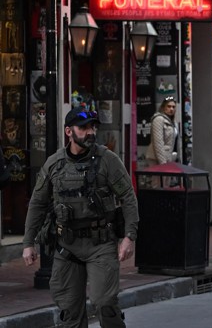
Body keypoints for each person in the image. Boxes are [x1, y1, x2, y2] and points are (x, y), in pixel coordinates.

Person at [22, 106, 140, 328]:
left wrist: (129, 236)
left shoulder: (108, 160)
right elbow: (37, 204)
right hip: (67, 246)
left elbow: (128, 196)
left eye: (92, 127)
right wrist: (28, 243)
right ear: (68, 131)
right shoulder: (54, 164)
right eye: (83, 127)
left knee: (105, 302)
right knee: (69, 310)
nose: (90, 132)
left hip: (101, 244)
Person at [145, 96, 179, 166]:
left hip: (169, 158)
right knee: (158, 177)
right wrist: (163, 163)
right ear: (163, 107)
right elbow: (158, 143)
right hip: (157, 159)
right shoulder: (159, 119)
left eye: (173, 107)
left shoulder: (173, 122)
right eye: (169, 106)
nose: (171, 109)